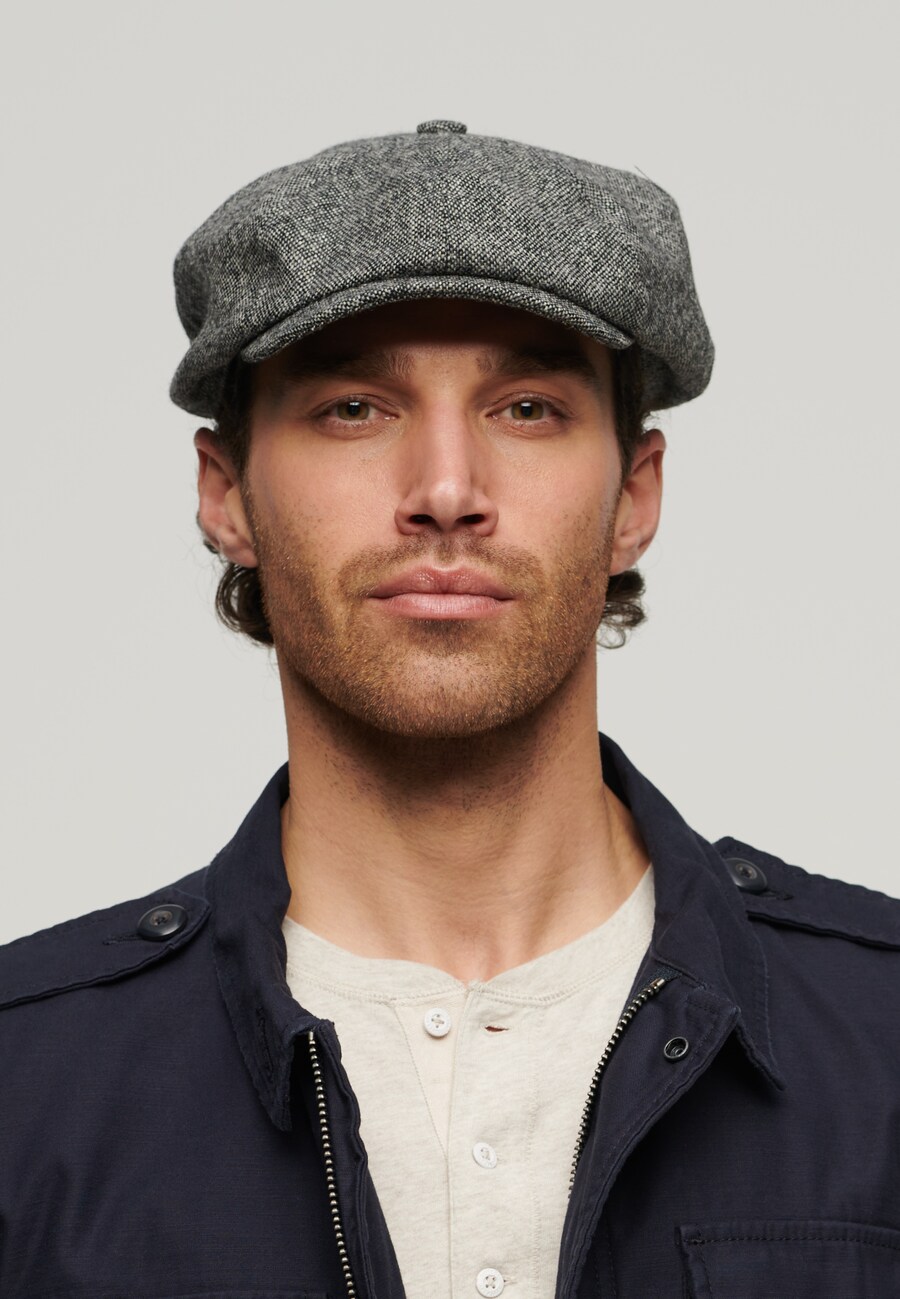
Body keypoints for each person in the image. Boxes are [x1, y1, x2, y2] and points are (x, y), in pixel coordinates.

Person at [2, 120, 898, 1299]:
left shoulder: (883, 1040)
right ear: (228, 496)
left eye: (527, 408)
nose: (445, 490)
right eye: (352, 408)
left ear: (634, 497)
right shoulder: (26, 1084)